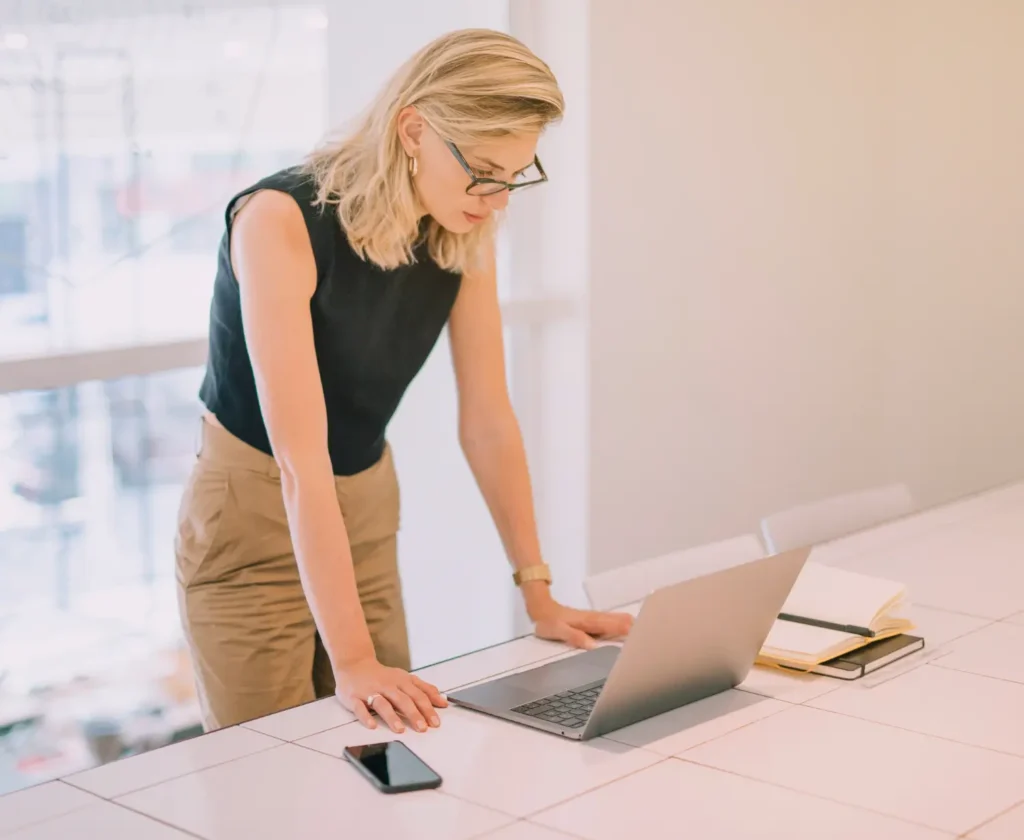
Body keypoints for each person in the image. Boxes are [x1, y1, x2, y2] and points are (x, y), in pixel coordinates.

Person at [174, 28, 632, 738]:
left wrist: (539, 594)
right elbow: (300, 462)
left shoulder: (462, 227)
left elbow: (486, 419)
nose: (497, 200)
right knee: (272, 772)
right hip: (255, 512)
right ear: (413, 129)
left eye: (514, 174)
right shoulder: (279, 221)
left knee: (388, 746)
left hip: (362, 504)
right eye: (483, 170)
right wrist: (353, 657)